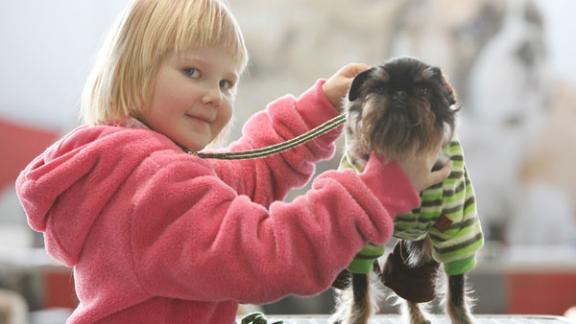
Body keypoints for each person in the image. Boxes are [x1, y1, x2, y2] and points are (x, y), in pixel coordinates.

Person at [15, 0, 451, 323]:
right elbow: (268, 253)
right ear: (131, 73)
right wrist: (384, 185)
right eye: (193, 72)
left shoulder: (138, 167)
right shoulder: (149, 186)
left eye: (226, 82)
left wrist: (318, 107)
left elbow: (247, 173)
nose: (213, 94)